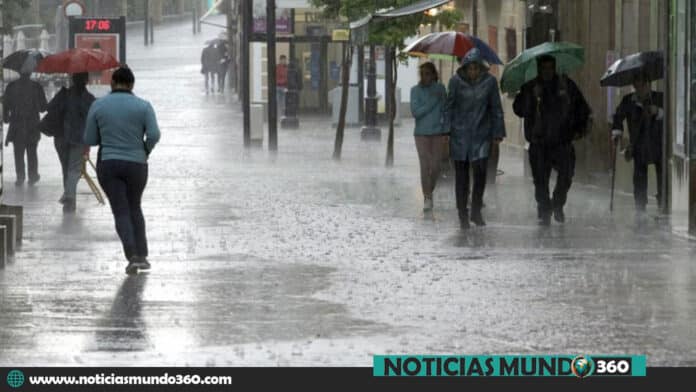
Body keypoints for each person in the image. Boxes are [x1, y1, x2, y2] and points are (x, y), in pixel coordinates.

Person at [84, 67, 161, 275]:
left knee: (120, 210)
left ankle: (132, 256)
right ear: (132, 85)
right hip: (137, 164)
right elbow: (154, 134)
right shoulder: (144, 106)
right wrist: (144, 149)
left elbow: (89, 139)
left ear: (112, 83)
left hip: (109, 164)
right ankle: (143, 255)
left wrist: (106, 136)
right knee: (135, 206)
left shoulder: (98, 105)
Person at [513, 54, 591, 226]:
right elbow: (519, 110)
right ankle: (544, 208)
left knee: (566, 175)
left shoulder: (566, 85)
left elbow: (582, 108)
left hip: (562, 141)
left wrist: (579, 129)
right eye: (544, 68)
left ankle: (557, 203)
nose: (547, 72)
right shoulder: (530, 87)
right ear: (539, 69)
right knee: (540, 180)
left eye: (550, 68)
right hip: (539, 141)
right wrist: (531, 97)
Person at [444, 48, 506, 229]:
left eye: (475, 68)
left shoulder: (490, 83)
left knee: (480, 174)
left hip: (481, 133)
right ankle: (462, 212)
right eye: (469, 68)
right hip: (460, 135)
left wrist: (497, 133)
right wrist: (446, 131)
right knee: (461, 176)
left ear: (481, 68)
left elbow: (496, 108)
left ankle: (476, 210)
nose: (472, 72)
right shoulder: (455, 82)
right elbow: (449, 106)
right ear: (464, 68)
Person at [611, 73, 664, 213]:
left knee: (662, 174)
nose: (639, 89)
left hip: (657, 143)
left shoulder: (659, 98)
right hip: (639, 144)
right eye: (636, 86)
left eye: (642, 86)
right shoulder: (628, 101)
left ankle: (662, 202)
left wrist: (657, 111)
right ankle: (640, 206)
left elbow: (670, 116)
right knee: (639, 175)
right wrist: (617, 132)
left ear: (648, 84)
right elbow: (618, 116)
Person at [48, 72, 96, 213]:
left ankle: (69, 202)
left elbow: (49, 107)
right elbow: (93, 121)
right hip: (78, 138)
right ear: (87, 81)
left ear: (72, 80)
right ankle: (69, 196)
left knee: (66, 169)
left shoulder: (63, 94)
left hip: (60, 137)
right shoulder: (89, 99)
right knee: (73, 169)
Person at [410, 62, 448, 213]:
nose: (425, 77)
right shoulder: (415, 91)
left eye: (428, 73)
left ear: (433, 74)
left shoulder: (440, 89)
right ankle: (427, 196)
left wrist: (446, 131)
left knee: (436, 166)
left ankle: (429, 190)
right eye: (422, 73)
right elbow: (416, 112)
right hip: (421, 133)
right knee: (425, 165)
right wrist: (433, 102)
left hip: (438, 132)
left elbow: (446, 110)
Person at [2, 72, 48, 186]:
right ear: (30, 72)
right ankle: (32, 176)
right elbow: (43, 108)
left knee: (18, 152)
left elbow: (5, 105)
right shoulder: (36, 87)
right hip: (32, 125)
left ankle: (20, 177)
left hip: (16, 125)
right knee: (32, 152)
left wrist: (6, 118)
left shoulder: (11, 86)